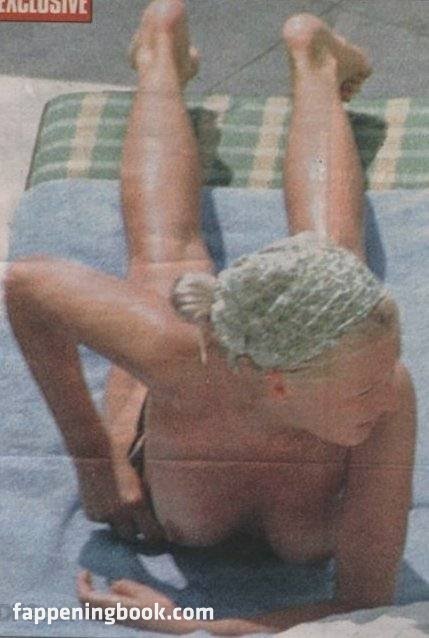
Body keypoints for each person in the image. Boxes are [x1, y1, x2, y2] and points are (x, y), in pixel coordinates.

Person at [5, 0, 416, 634]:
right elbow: (26, 284)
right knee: (165, 258)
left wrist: (189, 627)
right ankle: (159, 54)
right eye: (364, 388)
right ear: (278, 384)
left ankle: (316, 63)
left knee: (332, 254)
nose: (391, 395)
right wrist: (93, 456)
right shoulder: (180, 357)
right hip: (181, 400)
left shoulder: (383, 396)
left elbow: (362, 604)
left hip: (246, 418)